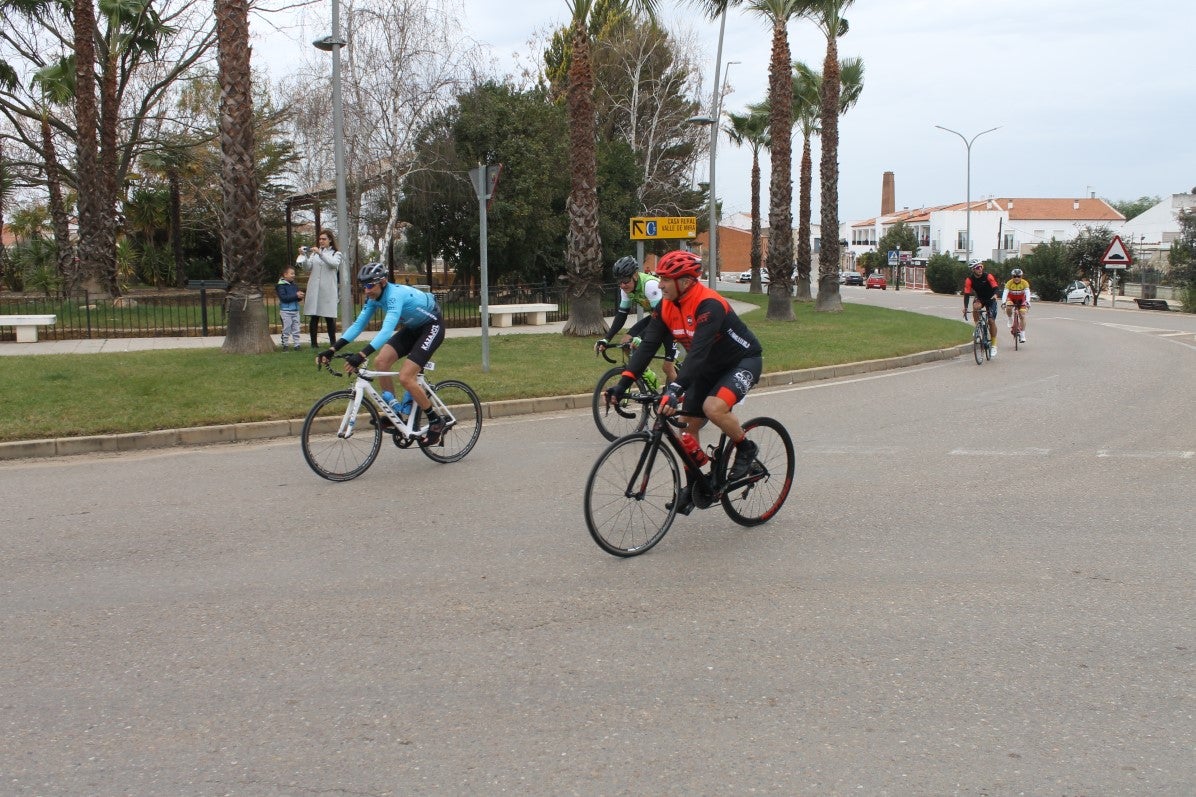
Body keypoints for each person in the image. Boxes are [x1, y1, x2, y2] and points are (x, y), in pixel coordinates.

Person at [605, 250, 764, 505]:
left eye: (666, 279)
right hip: (707, 366)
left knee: (713, 408)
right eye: (659, 278)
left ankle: (746, 448)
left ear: (686, 282)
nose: (659, 284)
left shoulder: (708, 304)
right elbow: (647, 346)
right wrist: (622, 384)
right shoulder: (667, 306)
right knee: (687, 425)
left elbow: (697, 354)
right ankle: (694, 487)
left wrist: (675, 388)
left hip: (742, 361)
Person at [316, 262, 447, 445]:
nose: (366, 290)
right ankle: (395, 413)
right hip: (413, 328)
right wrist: (332, 349)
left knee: (406, 377)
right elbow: (358, 325)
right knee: (381, 362)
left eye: (370, 285)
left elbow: (386, 331)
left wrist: (361, 355)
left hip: (431, 326)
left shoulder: (394, 295)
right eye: (363, 286)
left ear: (383, 281)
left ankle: (435, 420)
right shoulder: (373, 299)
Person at [594, 255, 679, 385]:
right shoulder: (626, 289)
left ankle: (680, 398)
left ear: (635, 275)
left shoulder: (650, 285)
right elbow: (622, 315)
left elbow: (661, 316)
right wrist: (607, 338)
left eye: (626, 280)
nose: (622, 285)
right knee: (626, 343)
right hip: (657, 317)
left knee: (667, 367)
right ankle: (648, 375)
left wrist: (641, 336)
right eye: (619, 281)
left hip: (671, 320)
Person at [297, 228, 341, 349]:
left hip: (328, 290)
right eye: (320, 239)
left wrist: (320, 254)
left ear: (330, 240)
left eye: (324, 239)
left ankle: (333, 343)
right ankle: (314, 344)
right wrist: (303, 256)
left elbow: (333, 264)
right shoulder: (314, 254)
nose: (321, 241)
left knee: (329, 317)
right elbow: (307, 268)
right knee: (314, 316)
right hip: (315, 289)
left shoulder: (336, 254)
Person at [962, 259, 1001, 357]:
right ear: (973, 270)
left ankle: (994, 345)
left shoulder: (988, 276)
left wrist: (996, 295)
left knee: (991, 321)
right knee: (975, 306)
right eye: (977, 267)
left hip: (991, 299)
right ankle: (978, 327)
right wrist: (965, 307)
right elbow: (966, 294)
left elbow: (996, 287)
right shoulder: (969, 279)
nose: (980, 269)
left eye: (981, 266)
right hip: (980, 298)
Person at [275, 265, 305, 351]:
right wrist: (296, 295)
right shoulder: (280, 286)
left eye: (294, 273)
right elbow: (284, 298)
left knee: (296, 328)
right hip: (285, 311)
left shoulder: (294, 285)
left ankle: (297, 345)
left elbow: (295, 298)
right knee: (286, 328)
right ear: (285, 274)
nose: (293, 275)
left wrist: (299, 297)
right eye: (291, 273)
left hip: (295, 310)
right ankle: (285, 344)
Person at [1001, 267, 1032, 343]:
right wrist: (1003, 302)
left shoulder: (1024, 283)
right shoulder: (1009, 283)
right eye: (1015, 276)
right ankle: (1009, 318)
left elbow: (1027, 293)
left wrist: (1028, 301)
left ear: (1021, 277)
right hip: (1011, 299)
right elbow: (1005, 293)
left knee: (1023, 315)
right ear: (1012, 277)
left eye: (1019, 276)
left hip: (1021, 300)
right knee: (1008, 306)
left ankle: (1022, 335)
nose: (1017, 278)